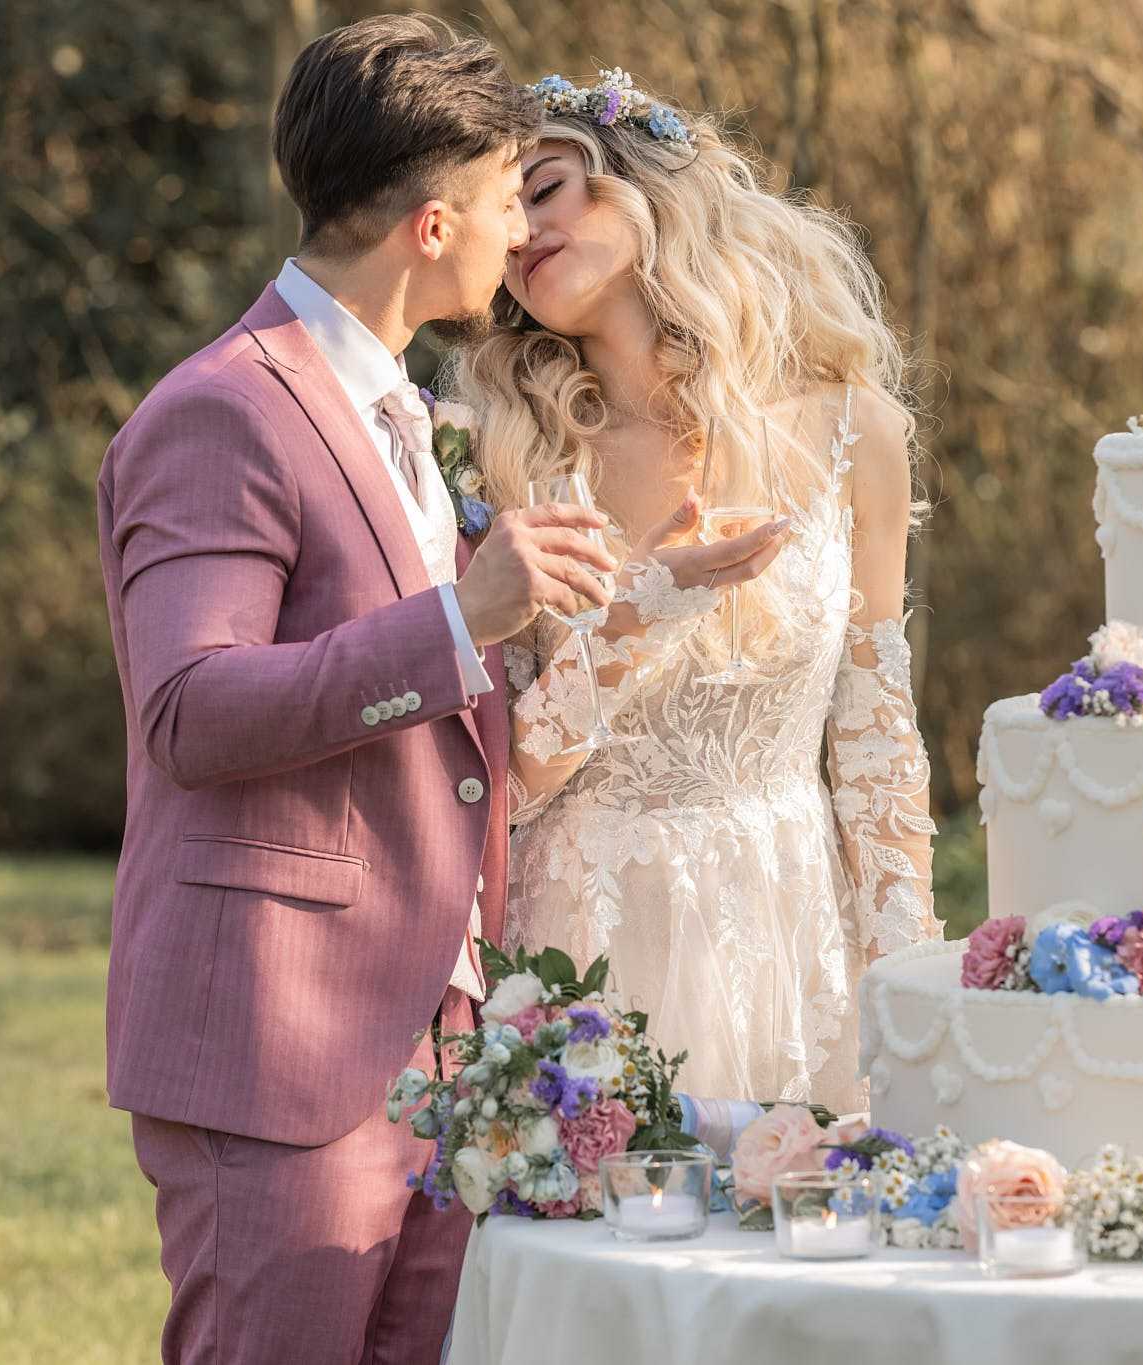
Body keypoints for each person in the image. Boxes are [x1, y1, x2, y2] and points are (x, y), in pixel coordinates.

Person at [94, 21, 780, 1363]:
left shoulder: (411, 420)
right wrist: (460, 616)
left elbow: (462, 722)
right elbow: (188, 710)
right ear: (428, 223)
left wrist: (637, 591)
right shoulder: (222, 411)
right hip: (281, 1047)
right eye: (501, 199)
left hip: (439, 1054)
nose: (516, 236)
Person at [449, 70, 940, 1113]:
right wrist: (641, 612)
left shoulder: (856, 430)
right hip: (588, 943)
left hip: (789, 925)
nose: (523, 231)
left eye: (546, 188)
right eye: (502, 214)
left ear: (644, 187)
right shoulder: (501, 457)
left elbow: (874, 741)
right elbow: (512, 779)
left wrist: (906, 975)